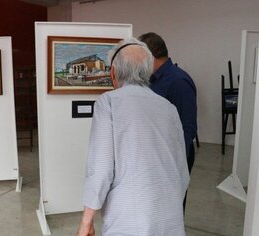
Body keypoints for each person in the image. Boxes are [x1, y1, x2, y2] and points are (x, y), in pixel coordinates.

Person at [77, 38, 190, 236]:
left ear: (113, 72)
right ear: (149, 71)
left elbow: (101, 169)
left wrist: (87, 221)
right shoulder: (168, 107)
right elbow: (181, 168)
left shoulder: (108, 103)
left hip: (128, 217)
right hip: (169, 215)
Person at [138, 32, 197, 174]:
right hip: (156, 156)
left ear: (148, 56)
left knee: (174, 197)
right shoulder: (151, 79)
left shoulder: (178, 81)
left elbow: (187, 128)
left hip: (172, 159)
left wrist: (171, 162)